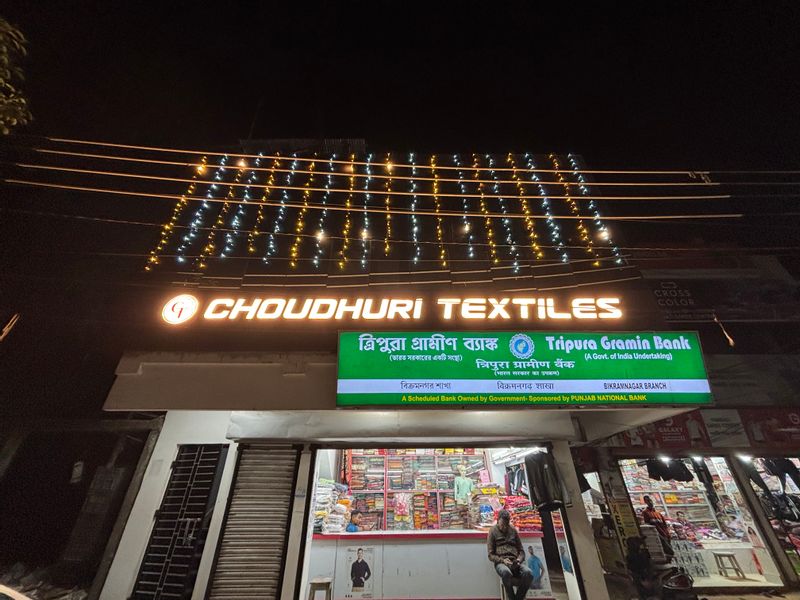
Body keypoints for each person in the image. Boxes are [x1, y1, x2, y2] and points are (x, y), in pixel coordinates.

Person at [487, 509, 533, 600]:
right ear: (497, 521)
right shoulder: (492, 531)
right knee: (506, 572)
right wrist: (502, 560)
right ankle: (512, 598)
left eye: (506, 525)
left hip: (515, 562)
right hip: (501, 562)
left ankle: (518, 598)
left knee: (529, 573)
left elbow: (521, 551)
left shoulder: (513, 530)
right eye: (502, 525)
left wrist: (519, 560)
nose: (504, 528)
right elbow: (490, 555)